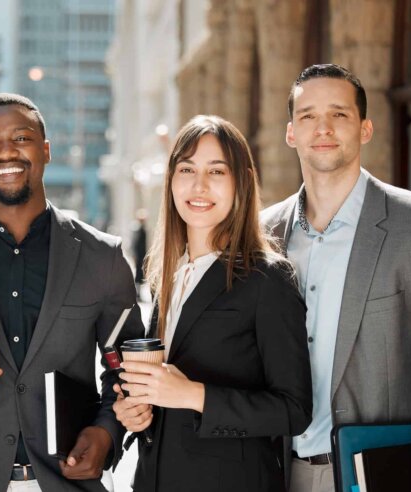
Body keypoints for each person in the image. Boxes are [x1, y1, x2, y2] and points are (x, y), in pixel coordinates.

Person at [261, 64, 411, 492]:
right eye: (308, 115)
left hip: (383, 476)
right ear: (291, 133)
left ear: (365, 129)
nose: (323, 127)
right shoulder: (260, 235)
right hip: (274, 473)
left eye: (340, 114)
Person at [0, 93, 144, 492]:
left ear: (46, 150)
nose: (5, 152)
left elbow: (126, 368)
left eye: (21, 138)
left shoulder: (102, 257)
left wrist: (106, 433)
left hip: (70, 478)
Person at [113, 115, 313, 492]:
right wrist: (136, 411)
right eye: (186, 169)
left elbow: (294, 410)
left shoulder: (268, 278)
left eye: (216, 171)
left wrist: (192, 394)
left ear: (241, 182)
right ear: (171, 180)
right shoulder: (166, 275)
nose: (199, 185)